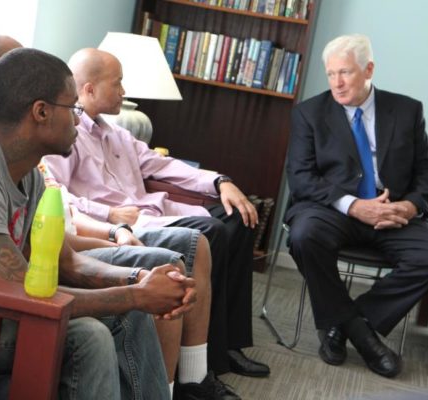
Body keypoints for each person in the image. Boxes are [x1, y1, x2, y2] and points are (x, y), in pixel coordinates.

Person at [0, 36, 239, 399]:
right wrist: (135, 295)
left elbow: (67, 260)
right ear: (41, 112)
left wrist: (136, 278)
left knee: (129, 306)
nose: (80, 120)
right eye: (72, 108)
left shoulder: (28, 175)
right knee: (93, 332)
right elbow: (22, 292)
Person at [43, 48, 271, 378]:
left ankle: (229, 343)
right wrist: (109, 214)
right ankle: (206, 362)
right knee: (214, 234)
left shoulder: (118, 134)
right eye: (118, 83)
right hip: (126, 224)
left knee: (238, 218)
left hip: (158, 210)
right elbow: (58, 195)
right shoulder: (67, 135)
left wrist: (221, 181)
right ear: (89, 89)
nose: (124, 91)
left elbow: (163, 165)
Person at [285, 34, 428, 378]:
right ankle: (363, 336)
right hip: (332, 210)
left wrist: (408, 207)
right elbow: (301, 177)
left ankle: (346, 323)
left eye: (344, 72)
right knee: (304, 237)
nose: (337, 82)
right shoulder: (309, 113)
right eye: (330, 74)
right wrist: (354, 205)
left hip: (393, 211)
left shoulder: (407, 110)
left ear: (369, 69)